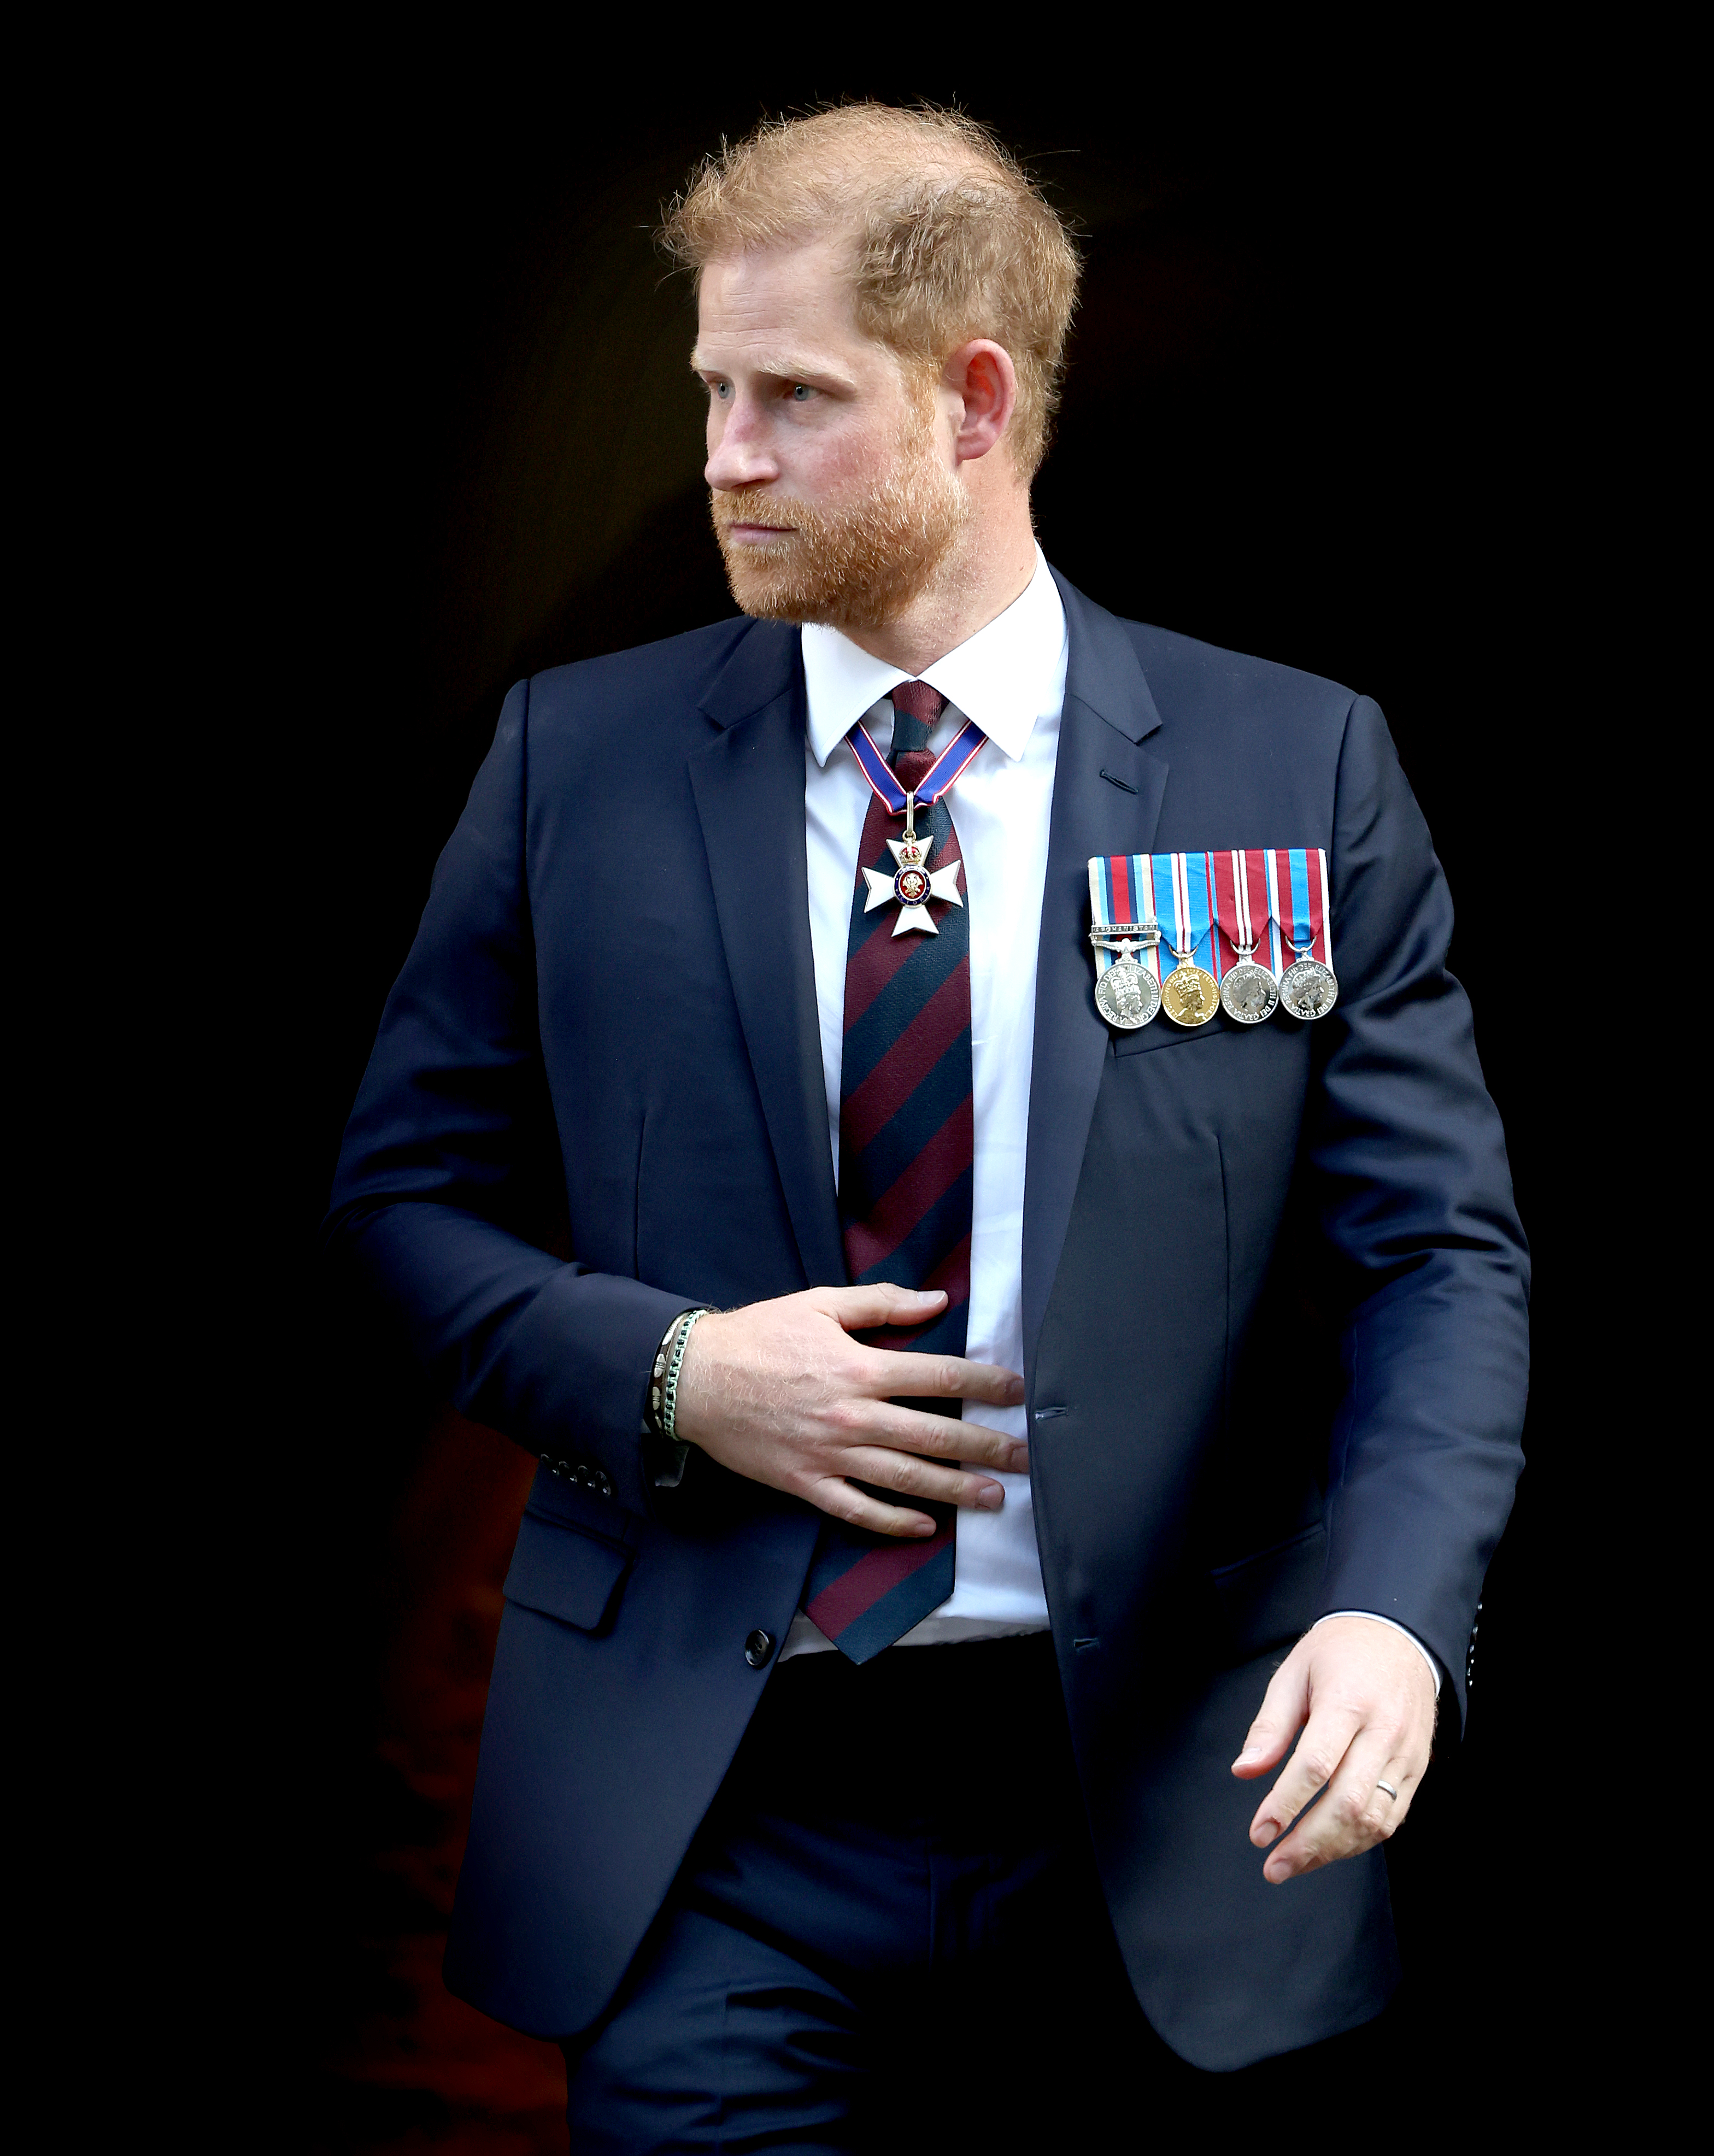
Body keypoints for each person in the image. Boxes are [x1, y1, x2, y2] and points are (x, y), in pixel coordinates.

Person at [327, 103, 1529, 2146]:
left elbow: (1434, 1255)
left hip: (1157, 1806)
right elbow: (402, 1200)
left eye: (790, 396)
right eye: (713, 388)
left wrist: (1398, 1609)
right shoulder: (578, 764)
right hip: (710, 1820)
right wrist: (680, 1370)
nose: (720, 450)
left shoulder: (1294, 767)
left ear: (976, 403)